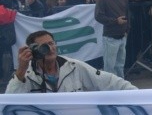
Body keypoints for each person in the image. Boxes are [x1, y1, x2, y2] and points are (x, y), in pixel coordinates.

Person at [6, 30, 137, 93]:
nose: (50, 49)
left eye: (51, 43)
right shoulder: (25, 74)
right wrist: (21, 70)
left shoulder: (74, 66)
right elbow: (10, 102)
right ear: (34, 51)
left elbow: (109, 82)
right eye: (43, 47)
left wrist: (140, 96)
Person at [94, 0, 130, 78]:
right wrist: (115, 21)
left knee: (120, 65)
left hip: (123, 36)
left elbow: (127, 13)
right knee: (110, 66)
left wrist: (127, 30)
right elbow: (98, 16)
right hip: (110, 37)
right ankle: (110, 90)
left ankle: (120, 86)